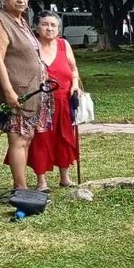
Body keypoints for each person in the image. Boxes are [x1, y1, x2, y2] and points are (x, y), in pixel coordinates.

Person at [0, 0, 50, 192]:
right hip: (17, 94)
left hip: (32, 92)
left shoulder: (21, 21)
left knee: (27, 137)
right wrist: (9, 92)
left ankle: (21, 185)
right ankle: (20, 188)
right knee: (18, 139)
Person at [27, 11, 83, 191]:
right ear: (37, 27)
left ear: (58, 28)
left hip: (64, 100)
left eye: (53, 25)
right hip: (41, 103)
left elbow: (73, 70)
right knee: (41, 140)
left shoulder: (63, 45)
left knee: (65, 138)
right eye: (45, 24)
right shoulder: (32, 47)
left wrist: (75, 85)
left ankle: (65, 177)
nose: (49, 28)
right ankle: (41, 182)